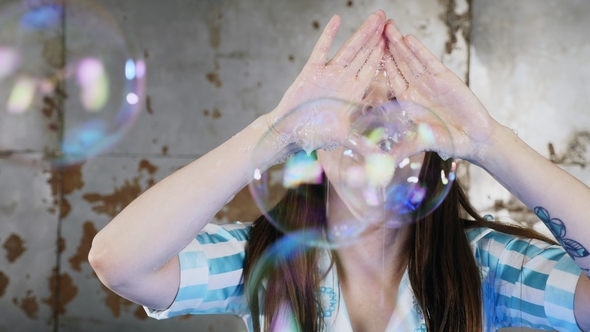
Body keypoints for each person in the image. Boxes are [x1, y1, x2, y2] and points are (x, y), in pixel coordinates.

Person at [88, 10, 590, 332]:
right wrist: (276, 132)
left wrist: (490, 142)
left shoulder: (488, 268)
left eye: (397, 115)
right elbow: (118, 261)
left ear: (434, 151)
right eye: (351, 112)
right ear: (315, 148)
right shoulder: (261, 262)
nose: (374, 137)